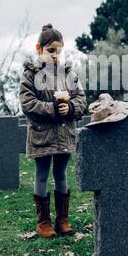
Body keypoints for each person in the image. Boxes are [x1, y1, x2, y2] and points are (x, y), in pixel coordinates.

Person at [19, 23, 87, 238]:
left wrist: (72, 107)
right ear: (39, 49)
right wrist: (53, 108)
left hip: (65, 134)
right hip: (42, 134)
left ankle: (62, 219)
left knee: (61, 173)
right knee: (41, 175)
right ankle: (44, 222)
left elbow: (81, 99)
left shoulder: (69, 74)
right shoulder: (30, 75)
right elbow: (28, 104)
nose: (55, 55)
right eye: (51, 50)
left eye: (59, 50)